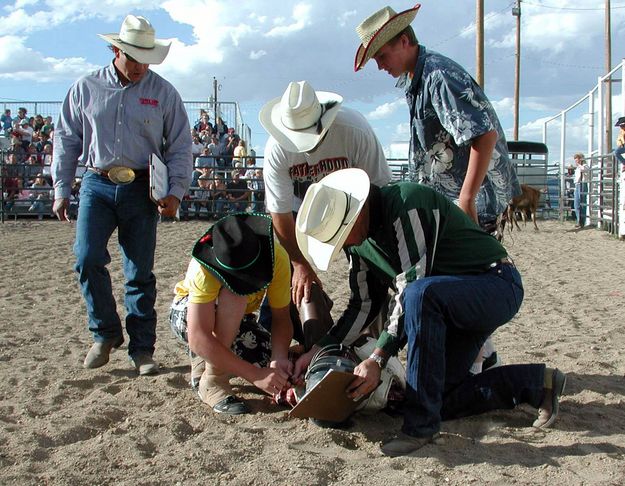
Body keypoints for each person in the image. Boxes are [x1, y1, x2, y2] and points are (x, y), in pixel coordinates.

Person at [294, 168, 566, 456]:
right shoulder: (359, 244)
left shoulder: (406, 203)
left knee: (418, 295)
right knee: (439, 398)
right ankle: (538, 383)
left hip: (496, 286)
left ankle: (419, 428)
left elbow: (413, 285)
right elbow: (363, 304)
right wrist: (318, 349)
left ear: (357, 213)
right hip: (452, 305)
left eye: (342, 235)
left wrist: (378, 358)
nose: (345, 244)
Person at [354, 4, 521, 370]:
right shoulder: (421, 77)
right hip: (448, 201)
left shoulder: (438, 76)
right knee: (455, 279)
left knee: (464, 278)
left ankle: (477, 359)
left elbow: (483, 134)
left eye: (382, 55)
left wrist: (466, 197)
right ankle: (481, 356)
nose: (380, 65)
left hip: (465, 202)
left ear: (404, 41)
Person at [51, 14, 192, 375]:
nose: (140, 67)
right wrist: (61, 188)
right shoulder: (85, 88)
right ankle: (105, 333)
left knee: (139, 271)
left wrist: (175, 191)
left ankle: (142, 350)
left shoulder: (164, 93)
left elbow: (179, 146)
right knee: (85, 258)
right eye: (133, 58)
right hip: (96, 182)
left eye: (146, 60)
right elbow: (67, 139)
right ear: (115, 50)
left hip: (143, 188)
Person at [259, 80, 392, 306]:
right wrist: (300, 263)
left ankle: (372, 332)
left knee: (373, 276)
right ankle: (293, 330)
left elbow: (379, 191)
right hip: (301, 213)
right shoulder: (275, 150)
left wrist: (365, 242)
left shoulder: (355, 130)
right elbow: (280, 214)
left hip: (355, 206)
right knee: (289, 281)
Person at [170, 214, 292, 414]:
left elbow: (282, 317)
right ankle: (213, 380)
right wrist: (255, 375)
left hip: (236, 321)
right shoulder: (203, 267)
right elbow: (198, 335)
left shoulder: (277, 257)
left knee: (266, 360)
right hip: (186, 314)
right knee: (235, 296)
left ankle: (207, 358)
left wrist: (278, 358)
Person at [573, 153, 589, 229]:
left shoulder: (585, 166)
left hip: (582, 184)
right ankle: (579, 220)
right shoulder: (578, 168)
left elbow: (585, 170)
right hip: (577, 185)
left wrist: (579, 165)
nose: (576, 160)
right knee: (576, 204)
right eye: (576, 159)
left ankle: (582, 221)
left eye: (577, 158)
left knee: (582, 203)